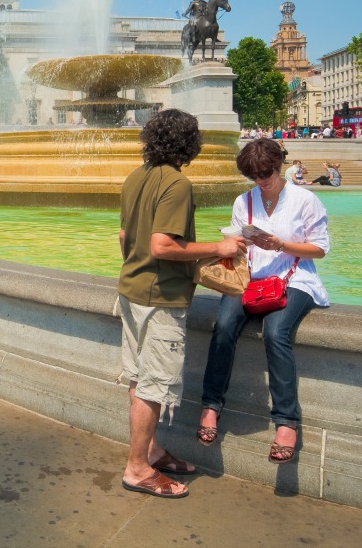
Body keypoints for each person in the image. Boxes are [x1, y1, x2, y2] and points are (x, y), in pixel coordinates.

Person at [115, 109, 245, 499]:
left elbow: (125, 238)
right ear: (189, 144)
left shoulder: (134, 177)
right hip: (161, 297)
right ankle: (137, 469)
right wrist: (219, 247)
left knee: (139, 378)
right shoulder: (177, 183)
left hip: (131, 290)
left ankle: (150, 450)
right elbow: (163, 245)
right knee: (155, 386)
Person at [198, 138, 330, 465]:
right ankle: (211, 405)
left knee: (276, 332)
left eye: (267, 172)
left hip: (294, 278)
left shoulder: (305, 200)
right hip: (252, 279)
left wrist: (281, 244)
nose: (262, 180)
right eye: (255, 175)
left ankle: (286, 422)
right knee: (224, 325)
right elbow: (237, 243)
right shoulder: (245, 201)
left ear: (279, 164)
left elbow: (320, 249)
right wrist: (236, 243)